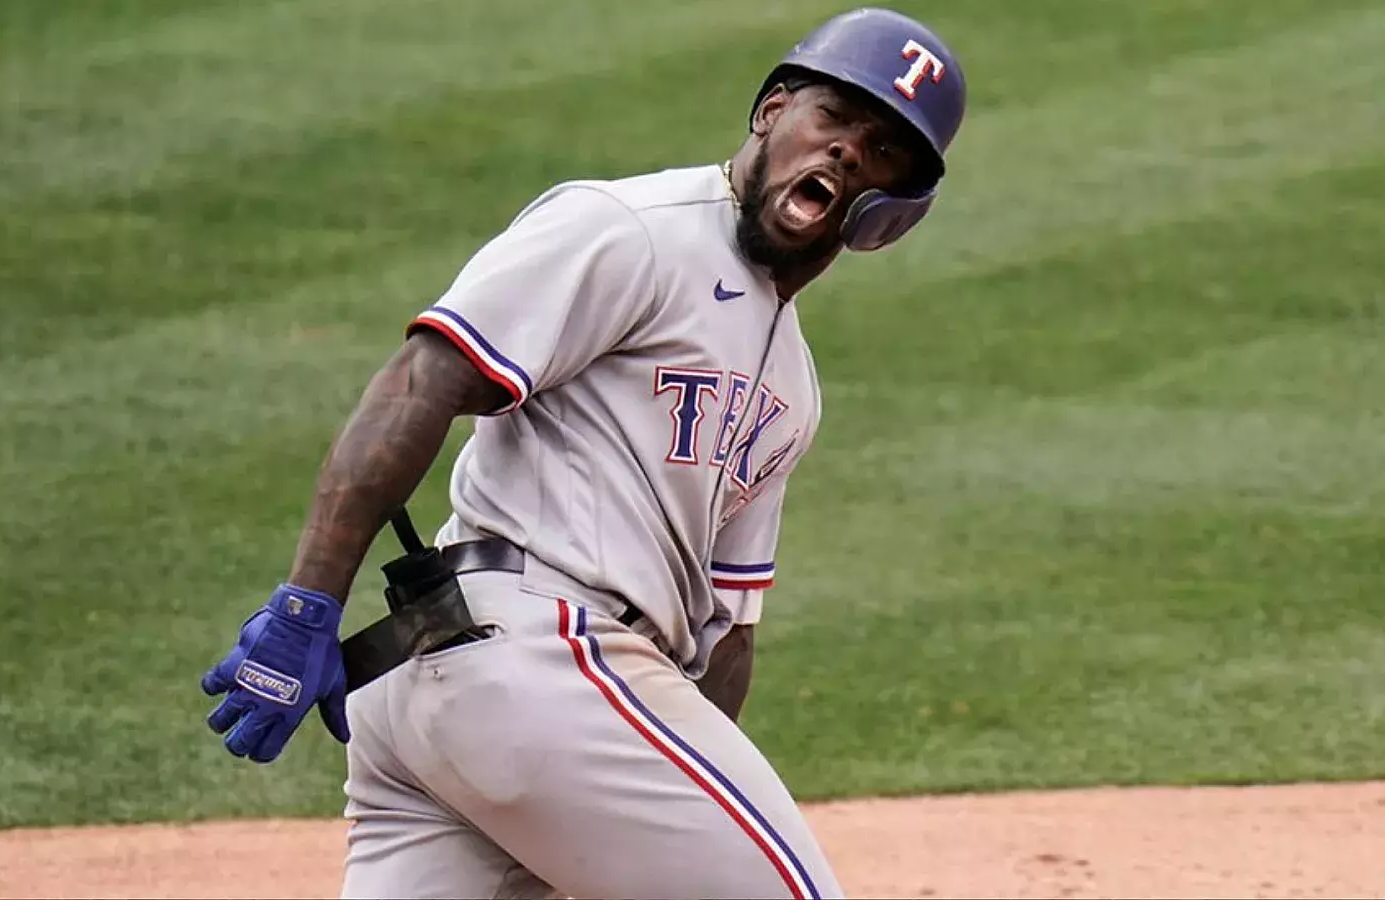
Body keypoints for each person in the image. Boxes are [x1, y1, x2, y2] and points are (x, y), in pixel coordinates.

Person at [199, 7, 967, 898]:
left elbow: (727, 635)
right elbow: (423, 382)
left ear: (894, 212)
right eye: (832, 120)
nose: (842, 153)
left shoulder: (792, 385)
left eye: (879, 150)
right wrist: (305, 609)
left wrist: (666, 804)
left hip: (489, 704)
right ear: (773, 112)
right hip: (538, 656)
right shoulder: (633, 228)